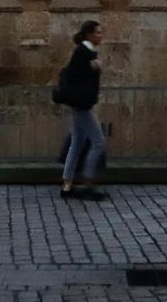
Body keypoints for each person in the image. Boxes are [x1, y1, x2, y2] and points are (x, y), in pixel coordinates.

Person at [57, 20, 107, 201]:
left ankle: (67, 184)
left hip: (80, 104)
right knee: (99, 142)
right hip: (82, 105)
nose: (101, 36)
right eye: (98, 33)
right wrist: (91, 67)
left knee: (77, 143)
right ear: (89, 34)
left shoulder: (86, 52)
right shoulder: (83, 52)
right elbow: (73, 74)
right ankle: (88, 183)